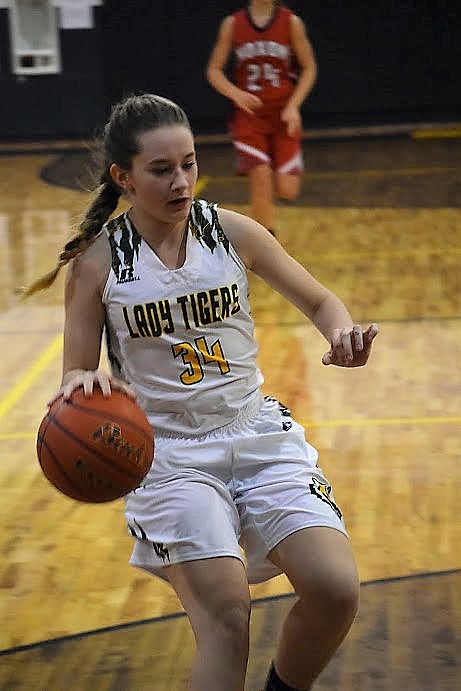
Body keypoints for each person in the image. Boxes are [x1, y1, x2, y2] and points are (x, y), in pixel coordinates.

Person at [26, 93, 378, 691]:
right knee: (225, 617)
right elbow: (74, 376)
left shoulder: (231, 231)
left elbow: (320, 300)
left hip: (255, 432)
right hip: (169, 457)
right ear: (124, 177)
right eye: (161, 170)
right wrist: (82, 386)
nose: (181, 181)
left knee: (335, 590)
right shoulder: (98, 263)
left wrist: (341, 333)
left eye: (188, 163)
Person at [206, 0, 318, 235]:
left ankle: (278, 166)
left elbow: (309, 68)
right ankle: (266, 243)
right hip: (250, 115)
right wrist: (236, 94)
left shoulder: (291, 22)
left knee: (287, 190)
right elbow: (214, 70)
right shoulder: (233, 24)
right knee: (261, 176)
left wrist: (294, 106)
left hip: (282, 114)